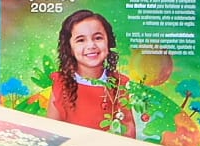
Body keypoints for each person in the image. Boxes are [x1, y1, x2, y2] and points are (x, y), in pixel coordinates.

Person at [45, 9, 135, 137]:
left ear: (108, 42)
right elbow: (50, 132)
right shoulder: (61, 83)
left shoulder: (120, 83)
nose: (91, 45)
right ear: (69, 48)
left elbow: (128, 131)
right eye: (81, 40)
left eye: (98, 38)